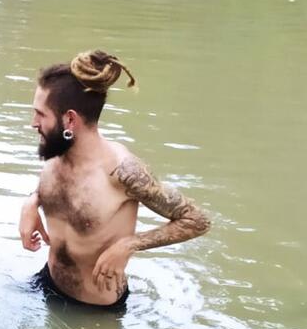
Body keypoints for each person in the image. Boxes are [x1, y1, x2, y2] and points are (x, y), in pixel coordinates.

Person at [19, 50, 211, 311]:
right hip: (46, 283)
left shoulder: (123, 172)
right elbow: (66, 194)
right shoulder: (55, 152)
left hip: (97, 313)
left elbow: (197, 221)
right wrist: (32, 203)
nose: (33, 123)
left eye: (40, 114)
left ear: (70, 119)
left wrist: (129, 244)